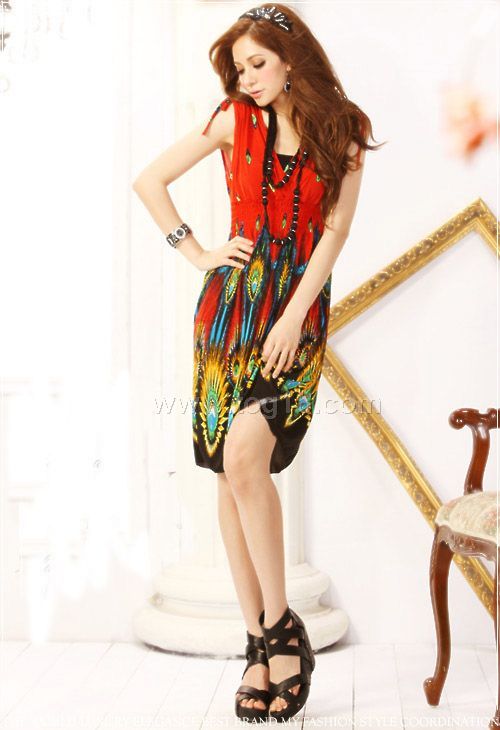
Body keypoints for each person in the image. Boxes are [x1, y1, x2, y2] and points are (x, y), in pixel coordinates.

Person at [133, 3, 383, 722]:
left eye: (257, 63)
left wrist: (295, 314)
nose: (246, 78)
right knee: (230, 472)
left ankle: (279, 632)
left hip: (294, 311)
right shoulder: (231, 120)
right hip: (228, 311)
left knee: (247, 455)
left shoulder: (345, 129)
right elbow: (149, 181)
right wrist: (198, 252)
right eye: (239, 67)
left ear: (291, 57)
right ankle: (263, 642)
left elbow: (335, 232)